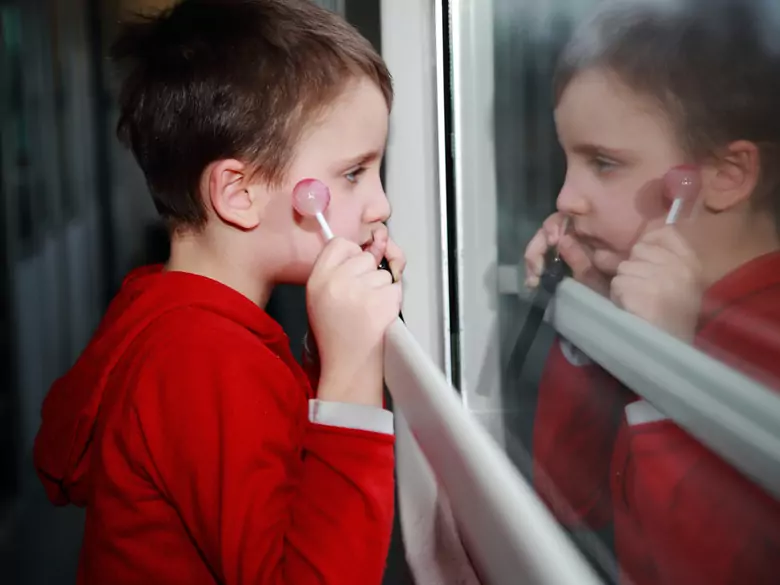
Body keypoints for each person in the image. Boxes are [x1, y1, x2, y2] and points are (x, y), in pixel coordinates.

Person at [33, 1, 404, 584]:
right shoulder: (203, 358)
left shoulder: (169, 313)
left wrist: (333, 343)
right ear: (239, 194)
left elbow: (276, 458)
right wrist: (353, 373)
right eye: (354, 173)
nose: (381, 205)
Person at [524, 1, 780, 584]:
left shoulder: (764, 338)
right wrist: (588, 317)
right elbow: (567, 501)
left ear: (725, 176)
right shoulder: (649, 303)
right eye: (568, 161)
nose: (565, 198)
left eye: (603, 163)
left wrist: (671, 372)